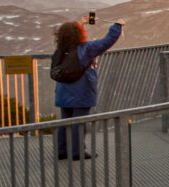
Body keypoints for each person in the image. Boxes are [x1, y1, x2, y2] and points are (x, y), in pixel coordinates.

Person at [52, 17, 124, 160]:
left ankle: (62, 150)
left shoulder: (60, 51)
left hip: (63, 91)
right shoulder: (87, 49)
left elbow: (70, 34)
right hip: (81, 92)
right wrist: (117, 25)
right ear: (79, 35)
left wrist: (80, 24)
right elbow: (106, 41)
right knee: (79, 123)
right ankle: (77, 152)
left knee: (64, 122)